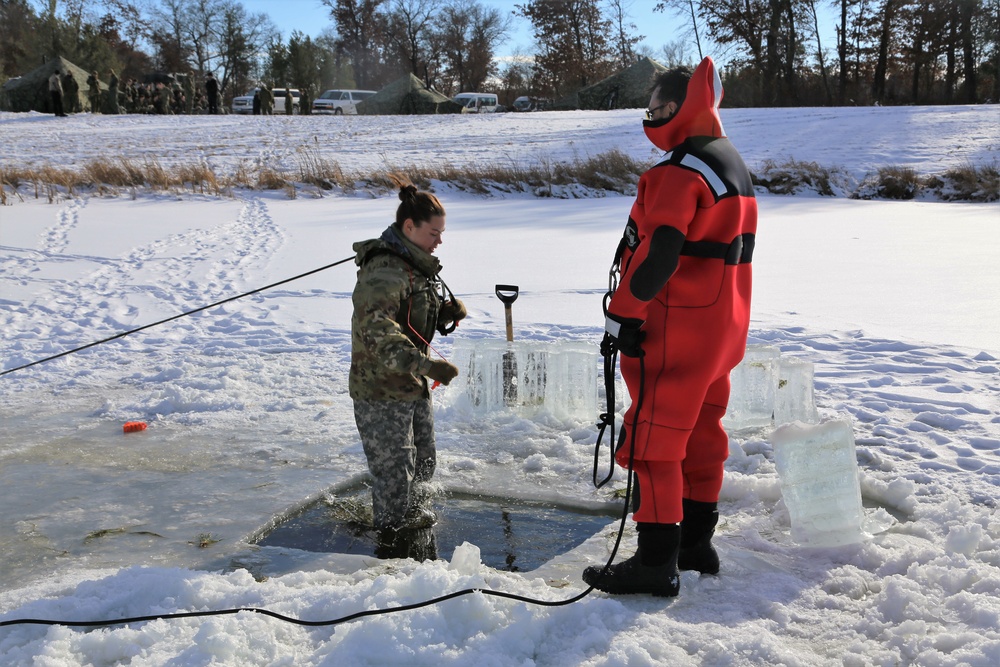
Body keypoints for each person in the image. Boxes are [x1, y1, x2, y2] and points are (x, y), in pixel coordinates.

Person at [582, 56, 757, 597]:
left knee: (655, 442)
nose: (650, 116)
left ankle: (655, 562)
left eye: (657, 106)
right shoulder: (729, 161)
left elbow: (658, 257)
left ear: (684, 105)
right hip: (723, 328)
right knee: (704, 434)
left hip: (676, 326)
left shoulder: (677, 171)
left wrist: (623, 316)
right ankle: (696, 545)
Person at [349, 177, 466, 550]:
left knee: (424, 464)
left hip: (410, 385)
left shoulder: (413, 266)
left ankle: (415, 538)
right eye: (434, 233)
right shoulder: (385, 270)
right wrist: (429, 367)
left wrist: (444, 312)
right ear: (409, 227)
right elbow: (379, 333)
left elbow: (409, 319)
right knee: (394, 478)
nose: (440, 241)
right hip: (381, 390)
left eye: (441, 233)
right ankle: (392, 550)